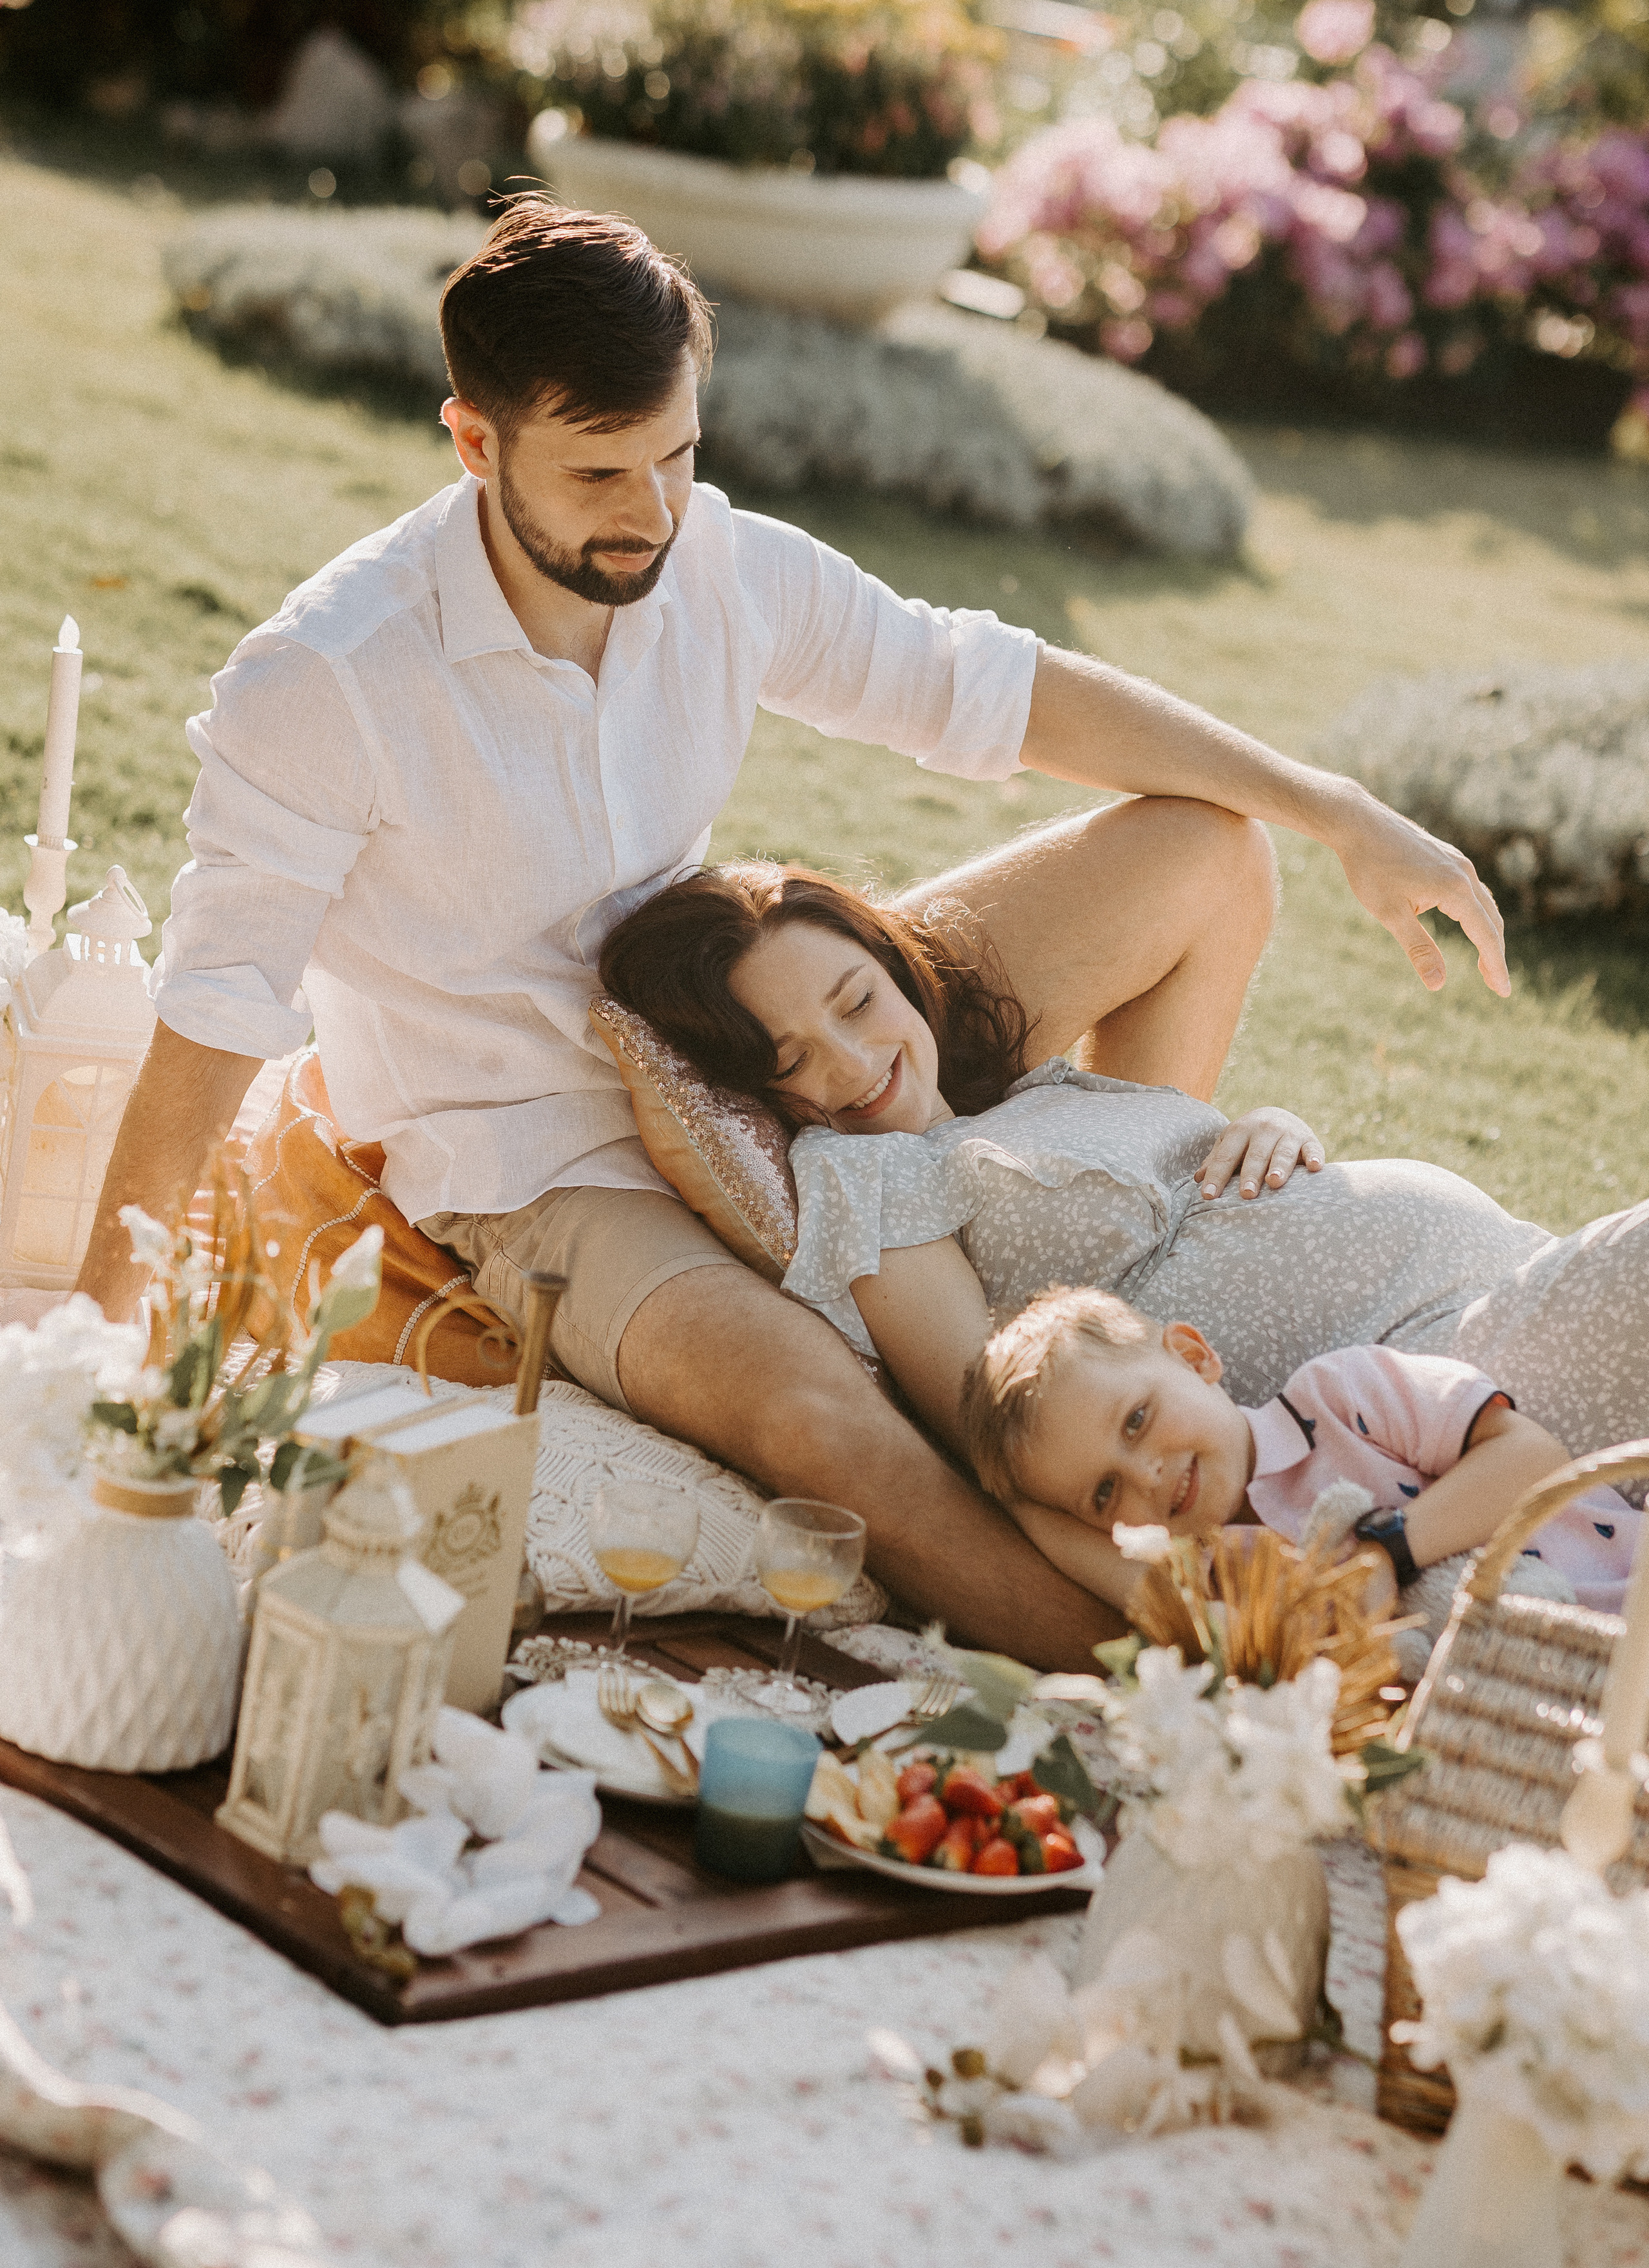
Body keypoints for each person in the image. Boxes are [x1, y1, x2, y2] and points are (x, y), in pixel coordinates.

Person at [77, 198, 1512, 1664]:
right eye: (597, 472)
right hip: (543, 1161)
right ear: (472, 443)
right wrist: (81, 1360)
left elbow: (983, 685)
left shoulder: (710, 560)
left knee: (1203, 852)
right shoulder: (323, 680)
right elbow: (214, 1023)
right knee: (818, 1409)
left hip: (755, 1026)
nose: (649, 510)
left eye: (676, 457)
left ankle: (1121, 1320)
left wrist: (1334, 807)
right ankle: (1203, 1669)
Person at [599, 863, 1648, 1507]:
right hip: (1440, 1382)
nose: (847, 1061)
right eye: (789, 1059)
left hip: (1500, 1284)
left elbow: (1195, 1178)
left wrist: (1266, 1129)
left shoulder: (1025, 1099)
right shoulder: (864, 1182)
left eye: (854, 1001)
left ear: (888, 961)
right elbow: (998, 1444)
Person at [955, 1288, 1643, 1623]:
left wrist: (1384, 1555)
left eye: (1137, 1420)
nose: (1147, 1476)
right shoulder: (1217, 1582)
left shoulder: (1337, 1397)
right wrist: (1018, 1500)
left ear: (1194, 1358)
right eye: (1104, 1493)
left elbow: (1533, 1459)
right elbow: (1074, 1547)